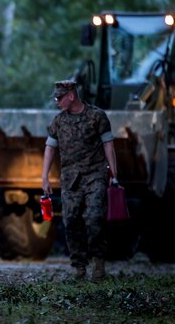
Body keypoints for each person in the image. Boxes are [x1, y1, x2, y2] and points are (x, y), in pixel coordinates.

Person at [41, 79, 117, 281]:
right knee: (71, 221)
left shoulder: (97, 117)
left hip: (95, 176)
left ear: (71, 95)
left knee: (94, 218)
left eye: (59, 97)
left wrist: (113, 175)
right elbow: (50, 148)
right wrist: (44, 177)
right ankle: (79, 268)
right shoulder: (58, 121)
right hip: (70, 179)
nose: (57, 101)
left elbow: (108, 145)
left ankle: (98, 263)